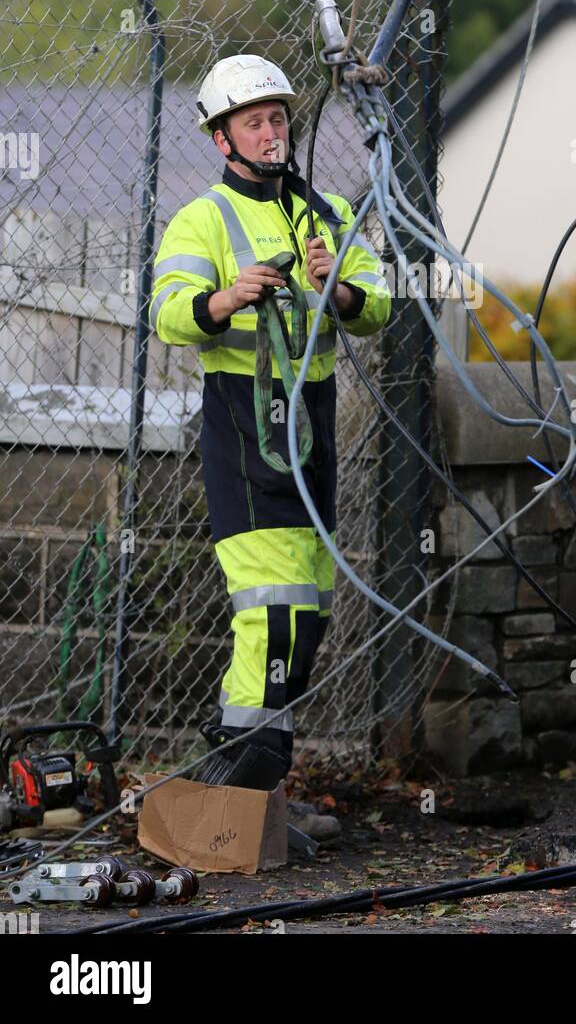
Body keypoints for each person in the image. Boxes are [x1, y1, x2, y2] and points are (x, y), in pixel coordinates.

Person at [151, 54, 391, 792]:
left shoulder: (330, 216)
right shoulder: (203, 217)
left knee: (308, 613)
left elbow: (379, 308)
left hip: (313, 435)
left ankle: (259, 794)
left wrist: (337, 288)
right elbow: (167, 315)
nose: (269, 132)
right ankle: (237, 795)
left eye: (278, 118)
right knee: (273, 613)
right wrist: (226, 298)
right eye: (252, 121)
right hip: (244, 430)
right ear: (221, 139)